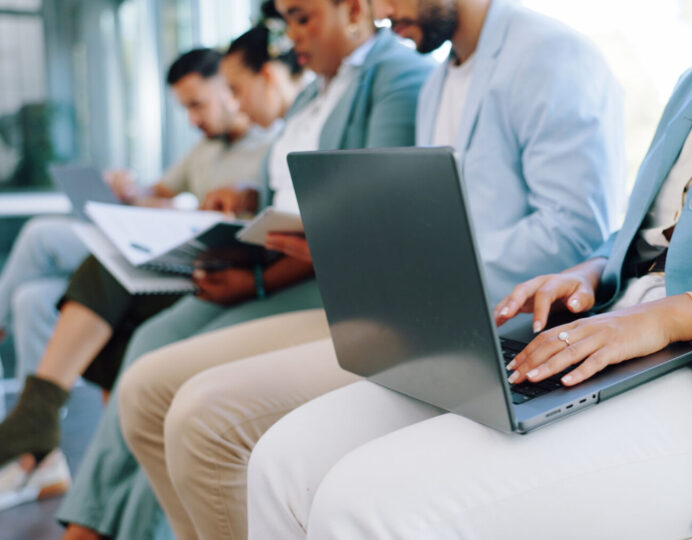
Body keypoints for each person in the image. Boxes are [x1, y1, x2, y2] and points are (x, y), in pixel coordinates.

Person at [246, 0, 692, 538]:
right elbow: (652, 241)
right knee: (282, 463)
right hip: (609, 336)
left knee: (365, 504)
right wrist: (591, 275)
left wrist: (665, 315)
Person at [117, 0, 625, 538]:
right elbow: (432, 220)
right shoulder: (438, 81)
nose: (379, 12)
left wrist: (413, 266)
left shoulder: (548, 54)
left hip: (480, 325)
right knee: (146, 389)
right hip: (402, 305)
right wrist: (358, 247)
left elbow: (574, 234)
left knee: (204, 419)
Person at [57, 1, 435, 538]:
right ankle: (103, 520)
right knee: (149, 343)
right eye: (286, 21)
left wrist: (256, 282)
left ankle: (102, 527)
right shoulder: (311, 93)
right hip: (271, 258)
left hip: (318, 281)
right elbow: (283, 187)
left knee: (175, 383)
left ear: (353, 10)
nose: (291, 36)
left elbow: (363, 210)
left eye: (303, 18)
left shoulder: (397, 75)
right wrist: (245, 197)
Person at [0, 47, 276, 513]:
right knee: (32, 298)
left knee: (42, 236)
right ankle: (40, 450)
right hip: (157, 248)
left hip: (197, 267)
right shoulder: (208, 148)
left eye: (198, 103)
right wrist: (130, 191)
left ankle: (31, 426)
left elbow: (248, 223)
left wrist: (180, 210)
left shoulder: (270, 149)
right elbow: (162, 192)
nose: (192, 118)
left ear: (233, 90)